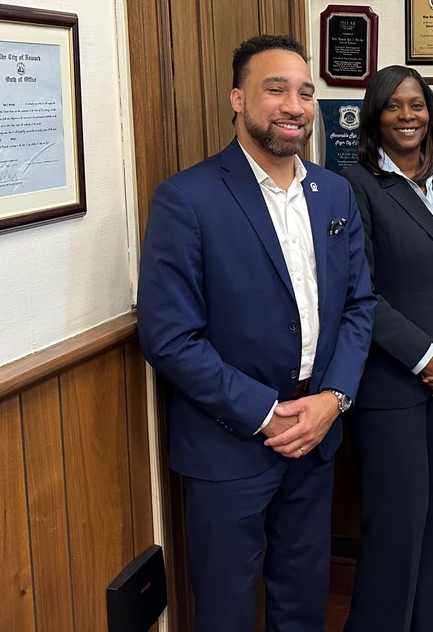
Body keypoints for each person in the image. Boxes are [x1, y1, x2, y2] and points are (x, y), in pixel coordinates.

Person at [136, 34, 376, 632]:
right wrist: (266, 413)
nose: (294, 105)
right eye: (277, 89)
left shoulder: (334, 192)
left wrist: (332, 399)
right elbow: (169, 337)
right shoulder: (186, 198)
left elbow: (358, 304)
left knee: (302, 598)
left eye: (305, 92)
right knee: (226, 608)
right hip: (231, 442)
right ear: (238, 99)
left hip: (316, 433)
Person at [340, 66, 433, 632]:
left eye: (417, 105)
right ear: (375, 116)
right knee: (397, 519)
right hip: (392, 379)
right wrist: (429, 357)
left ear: (432, 113)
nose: (408, 116)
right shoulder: (354, 184)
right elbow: (360, 291)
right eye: (394, 106)